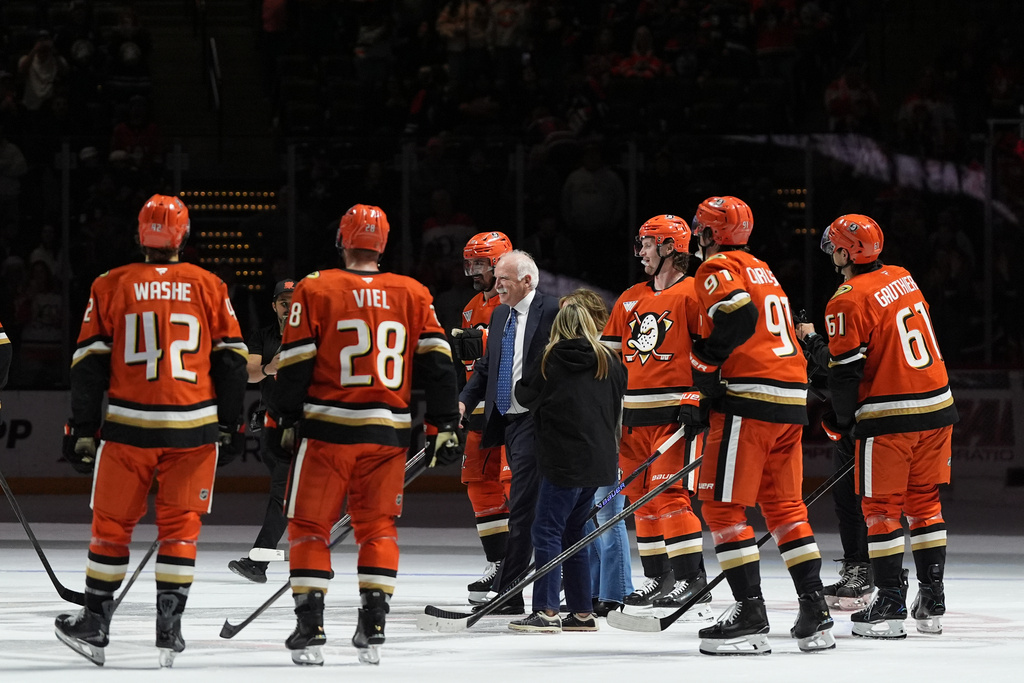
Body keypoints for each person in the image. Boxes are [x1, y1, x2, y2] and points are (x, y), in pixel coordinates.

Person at [55, 195, 249, 667]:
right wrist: (229, 422)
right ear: (183, 234)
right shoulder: (209, 284)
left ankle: (96, 623)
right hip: (194, 429)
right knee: (180, 529)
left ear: (140, 233)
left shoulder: (110, 284)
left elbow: (88, 364)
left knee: (111, 528)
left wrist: (81, 427)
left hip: (128, 427)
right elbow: (233, 361)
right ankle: (169, 629)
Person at [270, 204, 462, 666]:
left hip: (327, 429)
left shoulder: (315, 288)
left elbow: (295, 363)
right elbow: (438, 363)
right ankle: (374, 624)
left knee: (308, 527)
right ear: (383, 244)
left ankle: (310, 626)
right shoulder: (413, 291)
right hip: (387, 433)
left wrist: (285, 418)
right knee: (377, 527)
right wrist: (442, 425)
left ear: (342, 239)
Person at [686, 196, 834, 655]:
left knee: (721, 508)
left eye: (700, 228)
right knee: (785, 508)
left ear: (711, 234)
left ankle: (750, 613)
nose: (696, 236)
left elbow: (739, 315)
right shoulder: (763, 268)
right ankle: (815, 610)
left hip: (750, 397)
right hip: (791, 398)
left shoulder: (714, 269)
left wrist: (705, 364)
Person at [805, 214, 958, 639]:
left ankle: (889, 603)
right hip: (938, 404)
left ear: (844, 252)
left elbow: (846, 372)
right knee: (925, 504)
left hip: (892, 414)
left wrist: (846, 420)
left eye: (834, 245)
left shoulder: (846, 298)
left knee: (881, 510)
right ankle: (932, 600)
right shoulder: (903, 277)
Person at [600, 215, 711, 620]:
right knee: (640, 500)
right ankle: (659, 576)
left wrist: (698, 396)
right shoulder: (630, 297)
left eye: (647, 243)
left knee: (669, 496)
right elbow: (609, 358)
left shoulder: (694, 294)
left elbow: (711, 354)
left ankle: (690, 578)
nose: (641, 251)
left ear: (669, 247)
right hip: (631, 418)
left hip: (673, 416)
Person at [509, 301, 627, 632]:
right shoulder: (609, 361)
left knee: (546, 530)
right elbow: (620, 403)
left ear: (558, 324)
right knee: (575, 532)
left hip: (562, 461)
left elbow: (524, 394)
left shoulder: (549, 360)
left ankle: (546, 610)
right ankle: (582, 611)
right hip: (600, 461)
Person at [459, 249, 559, 615]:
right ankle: (513, 591)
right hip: (510, 422)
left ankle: (511, 591)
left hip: (540, 423)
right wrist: (464, 400)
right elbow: (487, 367)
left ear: (526, 281)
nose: (495, 285)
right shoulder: (501, 314)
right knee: (524, 509)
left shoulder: (553, 310)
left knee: (523, 509)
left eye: (503, 279)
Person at [562, 288, 632, 615]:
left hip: (612, 450)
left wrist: (614, 452)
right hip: (590, 450)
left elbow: (616, 410)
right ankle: (591, 590)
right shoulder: (583, 354)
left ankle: (616, 593)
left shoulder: (609, 355)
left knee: (607, 516)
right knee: (588, 519)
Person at [452, 231, 513, 603]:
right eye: (469, 263)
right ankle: (498, 561)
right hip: (477, 410)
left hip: (507, 408)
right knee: (478, 484)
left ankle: (524, 563)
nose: (473, 271)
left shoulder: (516, 302)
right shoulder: (471, 305)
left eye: (480, 263)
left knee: (513, 487)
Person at [797, 319, 873, 611]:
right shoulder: (848, 312)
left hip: (869, 418)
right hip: (847, 420)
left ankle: (879, 576)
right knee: (845, 500)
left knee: (871, 503)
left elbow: (838, 363)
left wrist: (813, 339)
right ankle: (856, 567)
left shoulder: (856, 306)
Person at [228, 278, 297, 583]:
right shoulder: (263, 336)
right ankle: (309, 555)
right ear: (274, 305)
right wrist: (272, 366)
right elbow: (250, 373)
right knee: (287, 495)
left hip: (300, 427)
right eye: (283, 302)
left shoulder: (313, 335)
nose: (288, 307)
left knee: (283, 494)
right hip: (272, 426)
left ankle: (261, 559)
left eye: (294, 302)